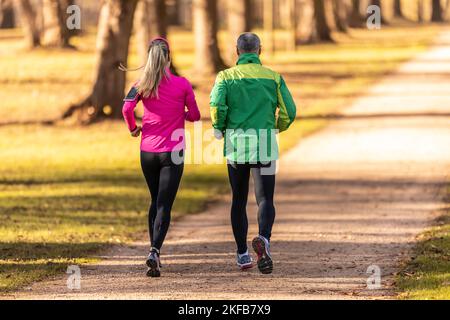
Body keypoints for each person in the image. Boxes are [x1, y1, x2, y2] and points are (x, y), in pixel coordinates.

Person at [209, 33, 296, 274]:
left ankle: (242, 253)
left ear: (237, 51)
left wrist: (219, 127)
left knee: (238, 200)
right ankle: (264, 239)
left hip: (236, 146)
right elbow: (289, 110)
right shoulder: (273, 77)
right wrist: (277, 127)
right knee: (265, 198)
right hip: (265, 144)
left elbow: (217, 105)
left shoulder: (225, 77)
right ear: (260, 50)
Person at [122, 38, 201, 277]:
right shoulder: (182, 84)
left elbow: (126, 109)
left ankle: (153, 251)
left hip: (148, 151)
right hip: (172, 152)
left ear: (149, 57)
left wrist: (133, 129)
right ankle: (155, 250)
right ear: (168, 58)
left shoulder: (140, 84)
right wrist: (180, 114)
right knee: (164, 204)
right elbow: (196, 116)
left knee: (155, 200)